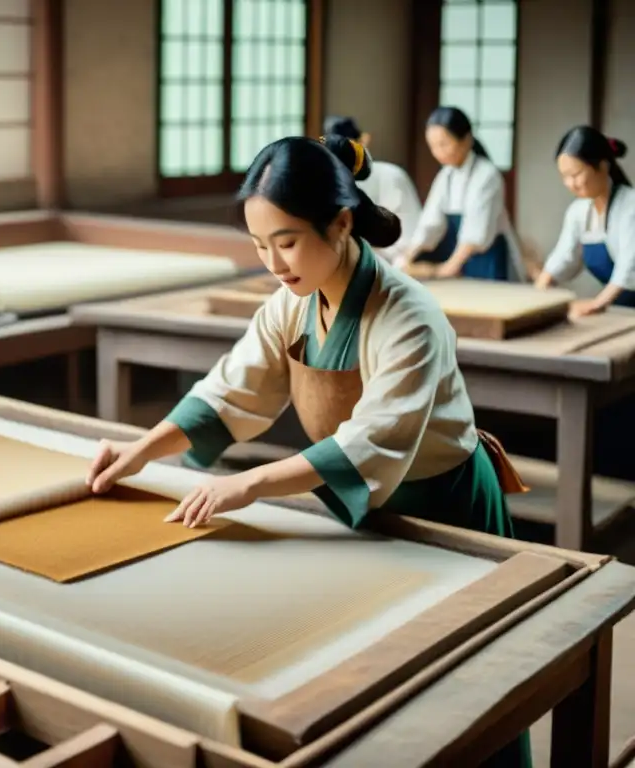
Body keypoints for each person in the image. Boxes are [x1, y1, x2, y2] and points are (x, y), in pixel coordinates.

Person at [85, 133, 531, 768]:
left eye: (287, 241)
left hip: (446, 507)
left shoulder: (409, 316)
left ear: (342, 223)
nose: (273, 262)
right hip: (363, 509)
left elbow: (372, 439)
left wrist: (251, 483)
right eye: (260, 245)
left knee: (469, 683)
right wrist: (140, 450)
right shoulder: (288, 306)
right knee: (385, 694)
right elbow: (229, 389)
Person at [400, 106, 527, 282]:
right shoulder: (446, 175)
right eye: (433, 146)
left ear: (466, 140)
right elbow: (430, 222)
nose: (438, 152)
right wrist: (408, 255)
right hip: (460, 260)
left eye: (444, 144)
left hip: (488, 260)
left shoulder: (487, 174)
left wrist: (449, 267)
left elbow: (476, 232)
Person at [535, 126, 635, 315]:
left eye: (576, 174)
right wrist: (540, 289)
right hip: (622, 311)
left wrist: (596, 304)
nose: (570, 184)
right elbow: (565, 257)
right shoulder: (578, 211)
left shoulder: (631, 206)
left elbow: (629, 267)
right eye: (564, 176)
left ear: (603, 166)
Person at [324, 114, 423, 264]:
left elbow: (409, 235)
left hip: (396, 257)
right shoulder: (327, 182)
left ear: (363, 141)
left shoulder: (391, 175)